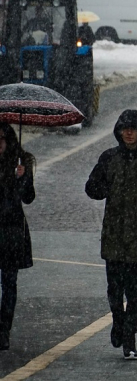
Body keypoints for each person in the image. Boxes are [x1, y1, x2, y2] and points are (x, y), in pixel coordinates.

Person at [85, 110, 137, 360]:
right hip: (114, 232)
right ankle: (118, 321)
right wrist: (105, 187)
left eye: (133, 128)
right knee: (114, 288)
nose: (129, 133)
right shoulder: (109, 158)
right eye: (125, 128)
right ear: (119, 132)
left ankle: (129, 339)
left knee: (133, 290)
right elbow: (92, 188)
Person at [0, 123, 35, 351]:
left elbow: (29, 197)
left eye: (2, 138)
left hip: (11, 228)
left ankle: (4, 329)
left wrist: (23, 178)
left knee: (9, 282)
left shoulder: (20, 162)